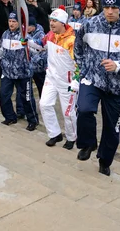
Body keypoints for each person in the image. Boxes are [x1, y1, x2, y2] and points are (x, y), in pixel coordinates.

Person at [74, 0, 120, 176]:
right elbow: (78, 48)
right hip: (93, 80)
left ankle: (105, 161)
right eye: (106, 7)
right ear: (102, 7)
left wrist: (119, 66)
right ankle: (88, 144)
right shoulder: (90, 25)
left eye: (114, 7)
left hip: (117, 87)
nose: (110, 11)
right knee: (84, 109)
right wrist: (84, 70)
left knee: (112, 130)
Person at [0, 12, 39, 131]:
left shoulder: (25, 35)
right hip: (7, 71)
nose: (11, 24)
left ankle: (32, 120)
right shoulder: (5, 34)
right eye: (10, 21)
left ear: (19, 23)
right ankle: (10, 117)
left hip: (23, 72)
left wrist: (28, 45)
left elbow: (36, 50)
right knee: (3, 95)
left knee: (26, 98)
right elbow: (0, 49)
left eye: (14, 22)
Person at [38, 8, 78, 149]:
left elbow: (79, 63)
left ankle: (72, 137)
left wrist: (76, 81)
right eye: (50, 20)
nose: (51, 23)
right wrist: (27, 43)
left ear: (62, 23)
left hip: (66, 82)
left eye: (55, 21)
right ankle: (55, 134)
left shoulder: (71, 41)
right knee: (44, 104)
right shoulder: (50, 35)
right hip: (51, 77)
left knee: (68, 112)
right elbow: (40, 45)